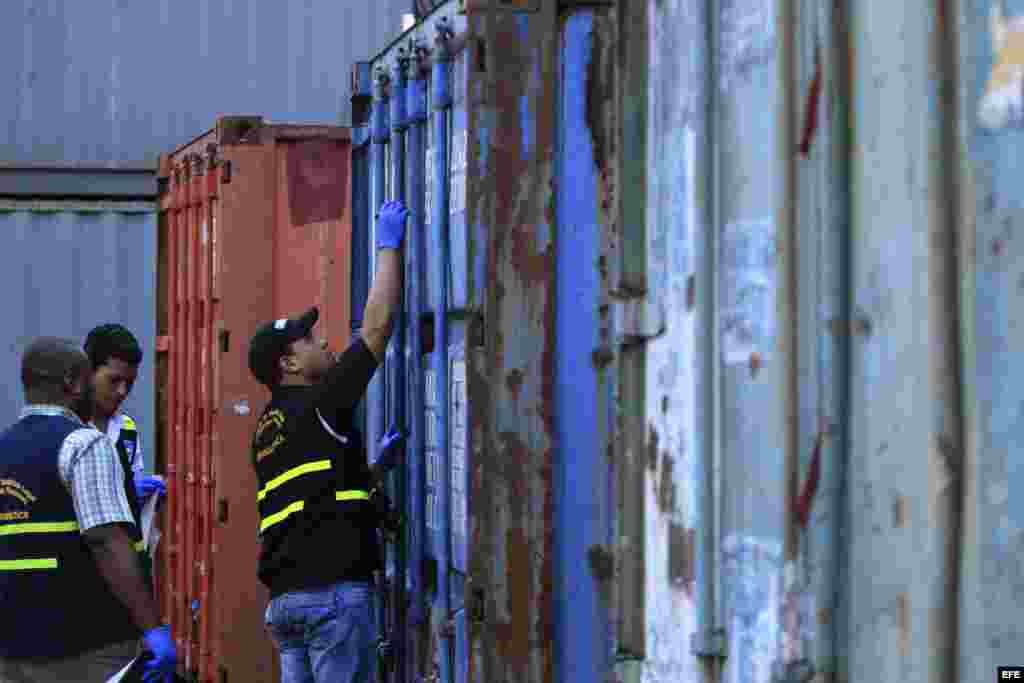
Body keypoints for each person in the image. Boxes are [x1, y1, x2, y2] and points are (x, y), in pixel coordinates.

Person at [248, 200, 407, 683]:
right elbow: (377, 328)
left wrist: (372, 471)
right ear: (289, 365)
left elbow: (313, 492)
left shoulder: (266, 429)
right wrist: (388, 248)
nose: (323, 342)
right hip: (331, 598)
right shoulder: (321, 401)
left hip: (286, 606)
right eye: (309, 340)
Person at [0, 337, 177, 682]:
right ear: (72, 382)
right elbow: (106, 541)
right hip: (84, 646)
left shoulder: (4, 447)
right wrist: (152, 628)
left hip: (11, 649)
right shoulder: (84, 443)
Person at [84, 324, 167, 506]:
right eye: (114, 380)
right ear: (88, 372)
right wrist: (126, 493)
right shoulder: (68, 427)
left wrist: (146, 499)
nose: (122, 391)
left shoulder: (127, 428)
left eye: (129, 382)